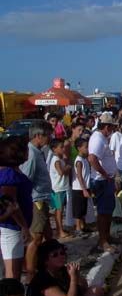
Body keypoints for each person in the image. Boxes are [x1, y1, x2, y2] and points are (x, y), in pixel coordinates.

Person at [20, 120, 54, 282]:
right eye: (48, 135)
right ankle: (31, 273)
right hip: (36, 201)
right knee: (36, 238)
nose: (50, 138)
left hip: (43, 199)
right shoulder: (32, 154)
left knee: (48, 235)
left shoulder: (38, 151)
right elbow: (26, 179)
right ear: (38, 136)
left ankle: (48, 265)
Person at [28, 239, 104, 296]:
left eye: (62, 253)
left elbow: (84, 288)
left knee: (97, 291)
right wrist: (73, 278)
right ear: (45, 260)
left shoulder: (62, 269)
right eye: (55, 255)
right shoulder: (43, 280)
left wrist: (77, 276)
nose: (61, 256)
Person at [0, 137, 32, 280]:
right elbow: (10, 204)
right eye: (25, 150)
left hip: (14, 227)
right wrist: (24, 226)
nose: (28, 152)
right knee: (12, 275)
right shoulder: (9, 175)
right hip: (11, 228)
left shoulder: (13, 171)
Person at [88, 112, 117, 253]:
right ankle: (103, 241)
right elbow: (92, 159)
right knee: (103, 212)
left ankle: (107, 236)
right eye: (111, 127)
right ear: (106, 126)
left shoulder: (102, 138)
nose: (112, 130)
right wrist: (105, 174)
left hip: (106, 180)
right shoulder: (98, 139)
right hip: (102, 181)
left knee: (108, 210)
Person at [48, 139, 72, 239]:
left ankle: (60, 229)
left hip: (61, 188)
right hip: (57, 189)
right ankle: (59, 231)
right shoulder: (56, 160)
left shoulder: (59, 158)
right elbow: (61, 172)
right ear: (54, 149)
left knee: (60, 210)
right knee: (59, 211)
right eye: (61, 147)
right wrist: (68, 167)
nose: (63, 149)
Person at [72, 138, 92, 238]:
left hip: (85, 187)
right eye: (86, 147)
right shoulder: (79, 161)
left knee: (83, 208)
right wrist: (84, 189)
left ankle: (84, 226)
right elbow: (79, 176)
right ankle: (78, 228)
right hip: (78, 189)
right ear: (79, 148)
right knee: (78, 209)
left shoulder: (85, 159)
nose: (88, 149)